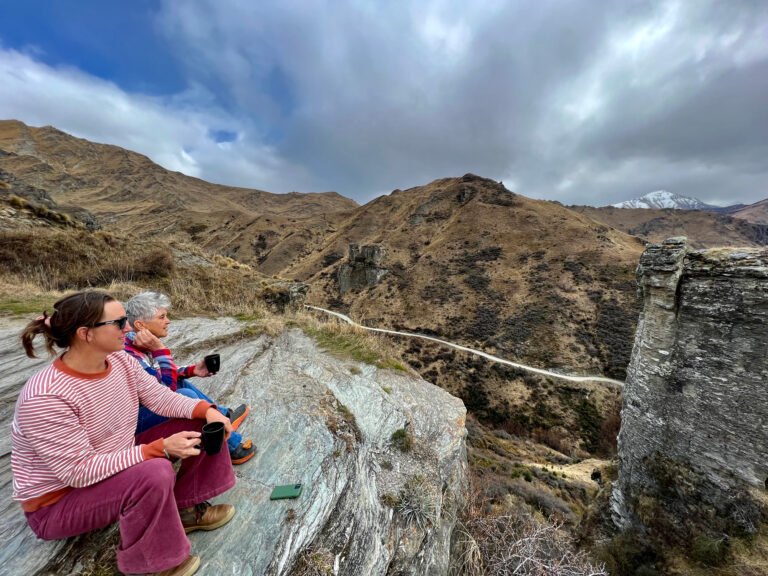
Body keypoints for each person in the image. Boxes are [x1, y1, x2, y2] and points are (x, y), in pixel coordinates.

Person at [12, 291, 236, 576]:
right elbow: (77, 472)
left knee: (198, 425)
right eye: (119, 322)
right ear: (86, 334)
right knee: (154, 471)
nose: (129, 328)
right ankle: (151, 564)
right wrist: (158, 449)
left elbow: (161, 398)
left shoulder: (119, 361)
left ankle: (185, 509)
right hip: (59, 502)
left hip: (110, 465)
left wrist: (208, 410)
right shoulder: (47, 397)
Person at [124, 291, 256, 465]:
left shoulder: (136, 343)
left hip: (141, 409)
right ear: (141, 325)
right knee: (185, 393)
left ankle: (222, 416)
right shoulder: (128, 353)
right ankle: (233, 447)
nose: (168, 321)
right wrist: (160, 350)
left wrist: (193, 370)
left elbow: (158, 375)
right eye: (162, 317)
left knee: (180, 382)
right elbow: (164, 391)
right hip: (132, 425)